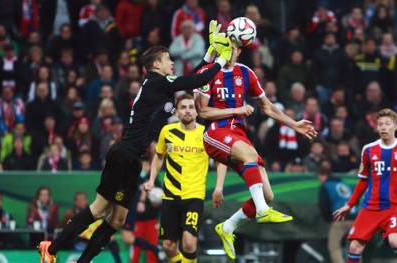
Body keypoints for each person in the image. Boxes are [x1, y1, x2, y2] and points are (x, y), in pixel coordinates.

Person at [38, 20, 233, 263]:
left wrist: (210, 53)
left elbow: (192, 77)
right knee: (99, 209)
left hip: (133, 159)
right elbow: (193, 82)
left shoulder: (161, 85)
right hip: (123, 152)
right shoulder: (155, 82)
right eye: (168, 59)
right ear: (156, 65)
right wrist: (222, 61)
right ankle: (52, 248)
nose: (173, 62)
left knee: (117, 220)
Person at [194, 28, 317, 260]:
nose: (229, 51)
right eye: (225, 46)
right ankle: (261, 211)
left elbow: (267, 107)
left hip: (238, 134)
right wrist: (237, 109)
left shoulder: (246, 73)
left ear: (239, 50)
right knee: (251, 163)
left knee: (267, 194)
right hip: (216, 133)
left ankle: (228, 226)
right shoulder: (208, 72)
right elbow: (202, 111)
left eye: (233, 47)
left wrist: (294, 125)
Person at [333, 108, 397, 263]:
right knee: (354, 247)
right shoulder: (368, 150)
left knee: (395, 241)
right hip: (370, 207)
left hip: (394, 206)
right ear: (376, 127)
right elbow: (363, 180)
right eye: (380, 124)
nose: (383, 127)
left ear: (395, 126)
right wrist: (349, 205)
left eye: (387, 124)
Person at [144, 94, 227, 263]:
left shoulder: (206, 134)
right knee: (168, 245)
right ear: (177, 112)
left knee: (189, 243)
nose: (187, 111)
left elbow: (220, 161)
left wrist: (219, 187)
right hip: (170, 195)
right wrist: (152, 179)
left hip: (194, 196)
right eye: (183, 107)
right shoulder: (167, 131)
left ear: (197, 112)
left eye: (191, 107)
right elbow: (159, 156)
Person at [318, 166, 356, 263]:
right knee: (354, 249)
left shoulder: (326, 186)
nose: (319, 180)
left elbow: (323, 205)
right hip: (354, 220)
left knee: (334, 248)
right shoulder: (345, 185)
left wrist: (329, 220)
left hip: (339, 221)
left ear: (322, 176)